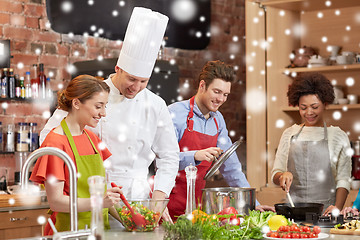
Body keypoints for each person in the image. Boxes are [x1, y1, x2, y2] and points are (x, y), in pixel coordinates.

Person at [39, 7, 179, 223]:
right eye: (132, 79)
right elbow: (49, 140)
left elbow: (169, 157)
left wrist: (158, 204)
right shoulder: (90, 94)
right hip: (94, 201)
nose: (137, 87)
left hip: (141, 201)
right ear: (118, 68)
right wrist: (72, 187)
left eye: (144, 81)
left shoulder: (156, 104)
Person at [167, 60, 275, 221]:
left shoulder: (218, 120)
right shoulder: (175, 113)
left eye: (225, 95)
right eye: (217, 92)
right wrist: (195, 156)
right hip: (167, 202)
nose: (221, 99)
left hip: (197, 206)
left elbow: (232, 168)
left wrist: (253, 204)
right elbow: (161, 160)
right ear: (202, 86)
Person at [30, 75, 123, 235]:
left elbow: (102, 196)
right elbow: (56, 202)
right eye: (98, 106)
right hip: (69, 233)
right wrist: (99, 202)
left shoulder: (92, 138)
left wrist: (130, 220)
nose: (103, 113)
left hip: (97, 232)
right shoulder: (55, 143)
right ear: (76, 103)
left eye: (105, 106)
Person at [271, 72, 352, 215]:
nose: (309, 112)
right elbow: (275, 174)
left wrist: (337, 209)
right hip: (292, 213)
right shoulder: (289, 134)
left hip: (325, 214)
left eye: (314, 107)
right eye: (303, 107)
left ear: (325, 104)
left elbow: (343, 179)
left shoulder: (338, 136)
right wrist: (282, 175)